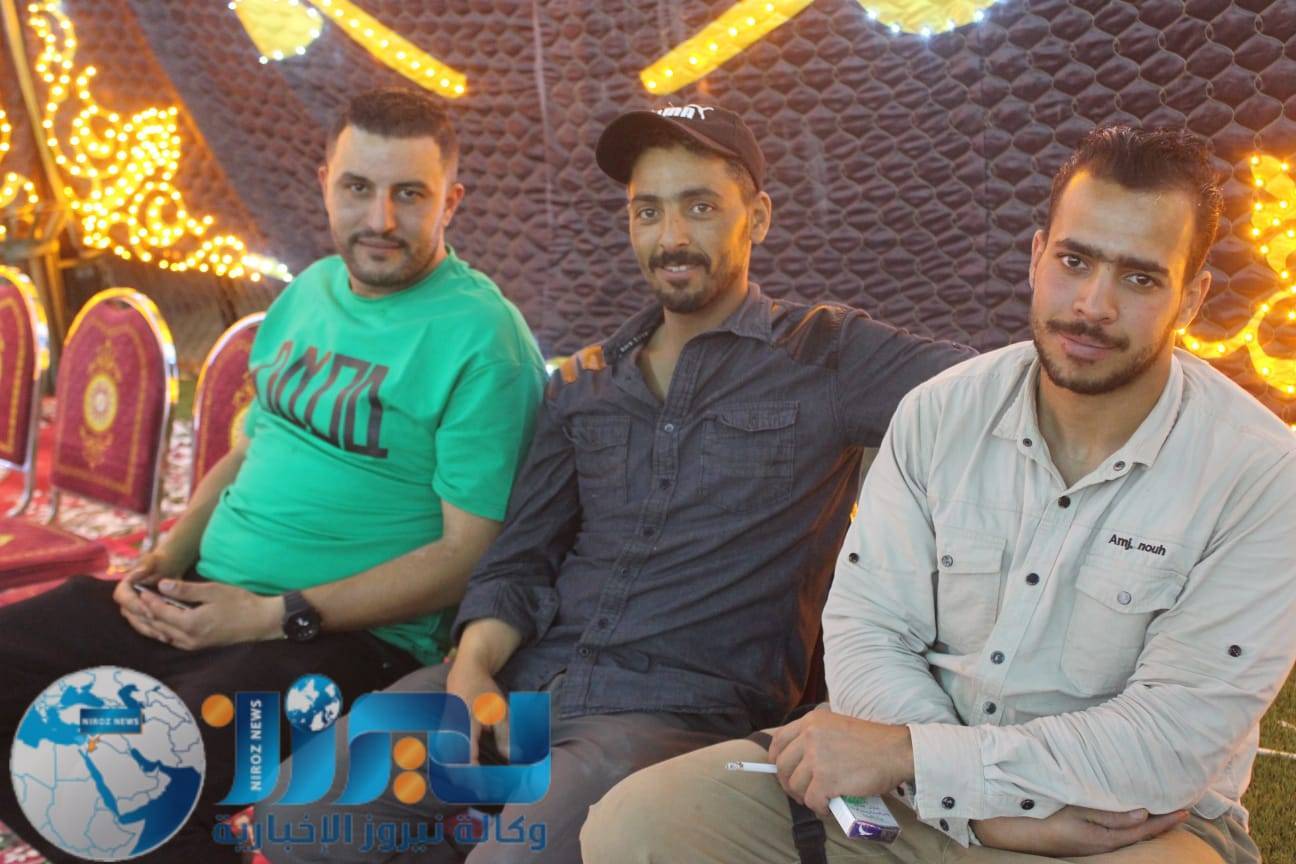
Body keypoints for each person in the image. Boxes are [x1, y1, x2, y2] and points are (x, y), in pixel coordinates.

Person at [257, 104, 973, 863]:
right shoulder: (586, 384)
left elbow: (996, 389)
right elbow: (520, 559)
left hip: (675, 716)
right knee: (292, 816)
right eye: (648, 211)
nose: (671, 236)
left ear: (757, 218)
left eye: (700, 207)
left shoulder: (824, 354)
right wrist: (470, 671)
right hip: (527, 678)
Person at [583, 126, 1296, 864]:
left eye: (1140, 279)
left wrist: (924, 763)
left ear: (1191, 298)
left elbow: (1166, 745)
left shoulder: (1260, 473)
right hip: (903, 790)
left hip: (1121, 825)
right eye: (1074, 261)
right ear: (1036, 256)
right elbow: (867, 630)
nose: (1093, 305)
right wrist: (968, 810)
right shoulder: (939, 412)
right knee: (635, 824)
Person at [0, 87, 546, 862]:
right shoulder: (309, 292)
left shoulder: (483, 340)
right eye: (358, 187)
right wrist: (164, 557)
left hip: (342, 643)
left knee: (130, 775)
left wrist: (269, 615)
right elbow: (250, 448)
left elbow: (467, 557)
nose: (381, 218)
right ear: (325, 184)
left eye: (409, 194)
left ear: (450, 202)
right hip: (202, 597)